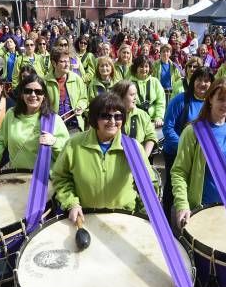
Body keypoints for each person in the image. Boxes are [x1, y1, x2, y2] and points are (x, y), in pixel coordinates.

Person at [52, 92, 155, 224]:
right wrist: (71, 203)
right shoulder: (74, 145)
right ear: (95, 118)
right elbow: (60, 178)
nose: (112, 121)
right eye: (105, 116)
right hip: (86, 217)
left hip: (124, 218)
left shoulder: (133, 147)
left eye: (118, 116)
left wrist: (143, 216)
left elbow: (149, 185)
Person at [171, 77, 226, 229]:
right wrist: (182, 204)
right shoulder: (192, 132)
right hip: (201, 209)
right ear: (210, 99)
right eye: (221, 99)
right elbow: (179, 172)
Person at [0, 72, 70, 175]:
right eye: (28, 91)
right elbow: (1, 142)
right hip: (16, 177)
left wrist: (54, 141)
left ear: (44, 96)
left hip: (43, 182)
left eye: (38, 92)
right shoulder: (11, 114)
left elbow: (68, 153)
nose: (33, 95)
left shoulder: (53, 120)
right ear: (22, 94)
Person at [161, 64, 213, 216]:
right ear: (192, 80)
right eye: (199, 79)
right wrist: (184, 149)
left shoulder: (212, 104)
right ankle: (166, 221)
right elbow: (168, 128)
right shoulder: (180, 100)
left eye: (207, 80)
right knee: (173, 188)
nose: (203, 84)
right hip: (176, 153)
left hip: (201, 155)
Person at [44, 48, 88, 131]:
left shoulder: (77, 79)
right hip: (54, 127)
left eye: (68, 61)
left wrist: (80, 107)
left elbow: (84, 98)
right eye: (62, 61)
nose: (67, 64)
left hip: (74, 125)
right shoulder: (45, 82)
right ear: (54, 63)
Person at [110, 80, 158, 156]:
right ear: (121, 96)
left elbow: (151, 137)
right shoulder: (109, 116)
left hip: (137, 160)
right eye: (132, 95)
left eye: (135, 94)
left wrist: (144, 158)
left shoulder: (142, 115)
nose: (135, 98)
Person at [127, 55, 165, 128]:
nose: (144, 69)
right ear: (136, 68)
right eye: (141, 66)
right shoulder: (129, 83)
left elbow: (161, 101)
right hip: (136, 121)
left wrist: (159, 117)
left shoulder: (155, 82)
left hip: (154, 122)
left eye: (146, 66)